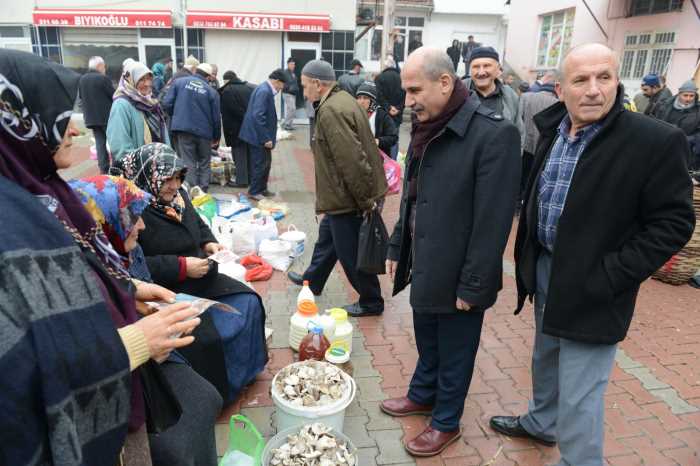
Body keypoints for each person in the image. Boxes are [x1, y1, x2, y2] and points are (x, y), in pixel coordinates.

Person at [489, 43, 695, 466]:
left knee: (582, 391)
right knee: (545, 357)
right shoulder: (555, 127)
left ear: (618, 82)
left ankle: (580, 461)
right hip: (547, 268)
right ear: (561, 89)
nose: (594, 90)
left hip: (598, 284)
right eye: (581, 80)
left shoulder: (653, 140)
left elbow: (674, 222)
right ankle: (542, 422)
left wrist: (614, 273)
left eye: (605, 77)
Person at [0, 49, 200, 466]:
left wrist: (126, 291)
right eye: (53, 114)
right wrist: (133, 342)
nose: (73, 128)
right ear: (15, 125)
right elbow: (18, 373)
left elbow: (75, 279)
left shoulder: (42, 194)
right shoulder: (10, 225)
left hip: (117, 396)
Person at [379, 47, 520, 457]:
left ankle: (446, 421)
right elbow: (412, 195)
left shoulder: (494, 133)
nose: (408, 101)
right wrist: (397, 243)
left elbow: (493, 222)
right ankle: (423, 393)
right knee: (428, 337)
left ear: (445, 82)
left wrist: (474, 284)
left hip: (460, 270)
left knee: (456, 350)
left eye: (414, 90)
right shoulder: (427, 126)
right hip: (425, 259)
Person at [70, 175, 223, 466]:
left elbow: (128, 291)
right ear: (102, 223)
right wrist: (142, 339)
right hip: (114, 385)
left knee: (207, 397)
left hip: (141, 359)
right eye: (132, 217)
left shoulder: (113, 256)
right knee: (175, 445)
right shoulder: (74, 277)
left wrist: (136, 297)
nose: (141, 225)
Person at [115, 143, 269, 403]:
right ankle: (221, 393)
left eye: (178, 178)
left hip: (200, 274)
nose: (175, 185)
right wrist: (182, 266)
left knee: (248, 301)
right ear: (148, 177)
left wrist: (209, 242)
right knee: (205, 337)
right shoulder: (134, 210)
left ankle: (246, 371)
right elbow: (137, 266)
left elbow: (197, 221)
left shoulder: (179, 197)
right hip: (168, 288)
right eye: (167, 179)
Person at [287, 60, 388, 317]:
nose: (304, 91)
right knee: (328, 239)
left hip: (349, 198)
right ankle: (314, 280)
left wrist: (365, 201)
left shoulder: (332, 110)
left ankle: (371, 301)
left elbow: (352, 161)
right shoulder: (340, 100)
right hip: (342, 196)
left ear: (318, 85)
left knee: (351, 253)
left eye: (305, 86)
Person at [162, 63, 221, 192]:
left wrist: (177, 115)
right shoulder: (212, 92)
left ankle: (191, 190)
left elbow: (166, 103)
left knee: (188, 160)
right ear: (209, 77)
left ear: (196, 71)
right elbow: (216, 118)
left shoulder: (179, 82)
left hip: (183, 130)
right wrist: (217, 137)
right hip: (204, 132)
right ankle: (203, 190)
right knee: (205, 161)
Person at [107, 61, 170, 163]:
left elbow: (162, 132)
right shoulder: (121, 105)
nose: (147, 83)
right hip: (138, 169)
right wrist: (142, 166)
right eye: (141, 79)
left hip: (157, 164)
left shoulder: (151, 101)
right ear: (131, 80)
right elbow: (120, 146)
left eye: (149, 78)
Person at [239, 68, 286, 200]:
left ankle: (262, 188)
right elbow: (258, 116)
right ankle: (254, 191)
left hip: (258, 135)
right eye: (282, 85)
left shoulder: (264, 89)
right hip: (258, 136)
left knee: (266, 163)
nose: (281, 88)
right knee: (259, 164)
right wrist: (265, 138)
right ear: (277, 81)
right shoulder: (264, 91)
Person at [518, 69, 559, 211]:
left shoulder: (527, 97)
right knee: (536, 180)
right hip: (545, 149)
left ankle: (518, 205)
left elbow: (519, 121)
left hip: (526, 146)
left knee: (522, 177)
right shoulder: (558, 103)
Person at [464, 46, 524, 139]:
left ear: (498, 69)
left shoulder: (510, 96)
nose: (481, 72)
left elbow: (519, 132)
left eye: (487, 66)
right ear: (470, 69)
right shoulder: (457, 92)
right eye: (476, 67)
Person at [79, 55, 115, 174]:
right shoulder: (103, 79)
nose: (105, 69)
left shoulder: (82, 79)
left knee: (100, 143)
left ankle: (103, 169)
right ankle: (116, 166)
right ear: (100, 66)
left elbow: (81, 99)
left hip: (91, 119)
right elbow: (113, 96)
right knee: (113, 142)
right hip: (106, 118)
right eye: (104, 66)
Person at [653, 79, 700, 171]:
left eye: (691, 96)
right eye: (685, 95)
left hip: (684, 151)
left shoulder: (698, 111)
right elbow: (654, 121)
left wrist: (690, 139)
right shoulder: (664, 106)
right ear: (679, 94)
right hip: (662, 147)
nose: (688, 99)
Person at [220, 70, 256, 187]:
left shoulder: (228, 91)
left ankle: (241, 181)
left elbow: (230, 110)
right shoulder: (249, 88)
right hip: (249, 127)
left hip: (235, 129)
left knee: (239, 155)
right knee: (248, 154)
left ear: (227, 80)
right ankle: (250, 178)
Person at [375, 56, 405, 158]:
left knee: (384, 137)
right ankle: (393, 161)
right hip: (397, 114)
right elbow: (406, 95)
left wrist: (388, 108)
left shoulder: (380, 78)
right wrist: (398, 108)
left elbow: (378, 95)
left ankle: (384, 161)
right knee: (394, 137)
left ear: (386, 66)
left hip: (384, 113)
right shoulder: (402, 78)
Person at [355, 81, 398, 155]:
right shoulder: (353, 113)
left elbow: (393, 137)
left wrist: (378, 141)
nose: (361, 101)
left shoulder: (382, 115)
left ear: (372, 101)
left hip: (378, 158)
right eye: (359, 98)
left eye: (365, 98)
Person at [280, 58, 299, 131]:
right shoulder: (285, 73)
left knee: (290, 109)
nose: (293, 66)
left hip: (293, 94)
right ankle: (286, 124)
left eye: (294, 64)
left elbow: (295, 83)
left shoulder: (293, 73)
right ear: (288, 64)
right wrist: (289, 87)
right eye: (291, 64)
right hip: (287, 93)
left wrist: (296, 89)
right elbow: (282, 83)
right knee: (292, 108)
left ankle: (289, 124)